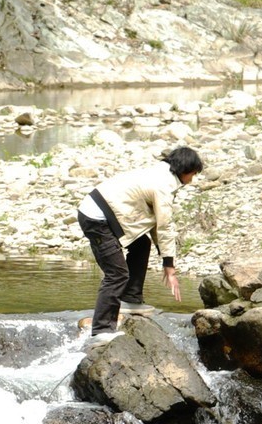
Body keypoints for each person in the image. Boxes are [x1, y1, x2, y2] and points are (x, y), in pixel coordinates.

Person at [76, 146, 205, 344]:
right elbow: (164, 226)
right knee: (116, 274)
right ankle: (101, 330)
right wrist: (169, 267)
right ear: (185, 171)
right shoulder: (163, 186)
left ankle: (131, 299)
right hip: (97, 218)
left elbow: (154, 224)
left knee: (141, 243)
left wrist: (166, 261)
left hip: (105, 211)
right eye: (193, 174)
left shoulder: (161, 172)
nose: (192, 179)